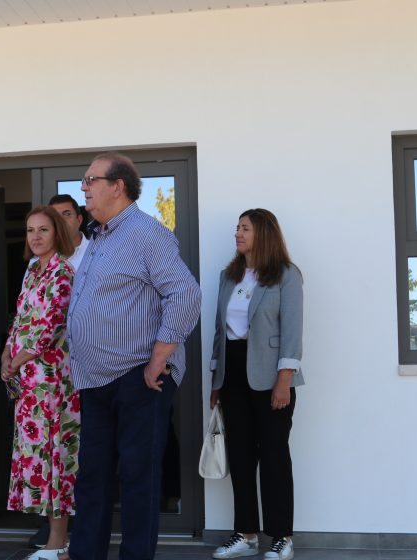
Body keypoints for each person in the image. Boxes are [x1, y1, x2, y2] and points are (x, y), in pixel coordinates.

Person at [64, 153, 201, 560]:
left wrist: (160, 356)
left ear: (118, 186)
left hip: (138, 376)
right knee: (92, 477)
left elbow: (185, 293)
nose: (84, 187)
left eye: (91, 179)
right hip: (95, 378)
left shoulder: (146, 233)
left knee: (139, 477)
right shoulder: (99, 237)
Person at [209, 209, 303, 560]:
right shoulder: (228, 276)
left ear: (263, 233)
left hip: (271, 375)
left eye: (245, 228)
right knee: (241, 455)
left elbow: (292, 330)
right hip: (233, 373)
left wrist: (284, 381)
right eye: (237, 227)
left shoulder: (286, 275)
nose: (238, 233)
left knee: (275, 456)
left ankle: (282, 537)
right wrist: (216, 379)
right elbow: (219, 330)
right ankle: (246, 534)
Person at [1, 206, 79, 560]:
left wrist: (17, 360)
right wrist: (7, 354)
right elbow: (21, 320)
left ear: (56, 233)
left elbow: (50, 327)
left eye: (43, 230)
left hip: (53, 382)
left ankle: (58, 543)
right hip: (29, 384)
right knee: (38, 458)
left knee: (55, 458)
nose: (35, 236)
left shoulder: (63, 272)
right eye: (30, 230)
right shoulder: (33, 271)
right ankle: (54, 541)